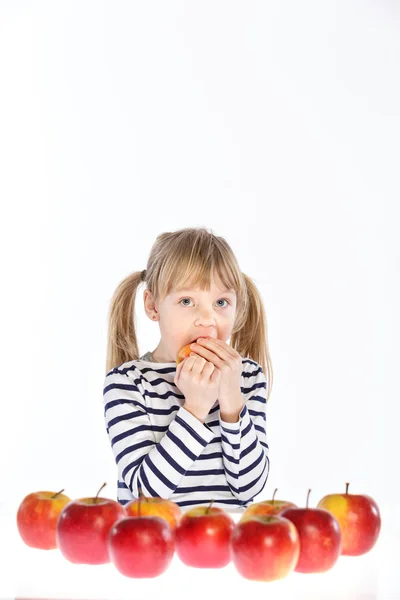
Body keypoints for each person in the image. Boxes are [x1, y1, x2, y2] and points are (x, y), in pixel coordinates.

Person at [102, 226, 274, 511]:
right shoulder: (127, 384)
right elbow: (146, 495)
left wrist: (232, 403)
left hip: (227, 544)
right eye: (186, 301)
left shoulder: (246, 378)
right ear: (153, 306)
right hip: (155, 544)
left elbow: (249, 489)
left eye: (221, 302)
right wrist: (195, 408)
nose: (207, 320)